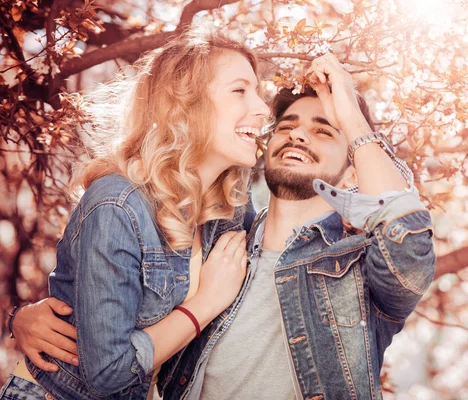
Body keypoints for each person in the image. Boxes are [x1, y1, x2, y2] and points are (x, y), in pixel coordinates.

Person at [9, 54, 436, 399]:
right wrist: (24, 318)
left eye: (325, 131)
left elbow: (408, 243)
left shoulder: (359, 271)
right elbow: (115, 313)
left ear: (351, 172)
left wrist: (353, 119)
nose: (298, 135)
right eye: (287, 126)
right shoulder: (218, 242)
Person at [1, 30, 269, 399]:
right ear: (185, 104)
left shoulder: (230, 209)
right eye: (240, 90)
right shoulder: (117, 204)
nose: (263, 108)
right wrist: (204, 304)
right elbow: (108, 374)